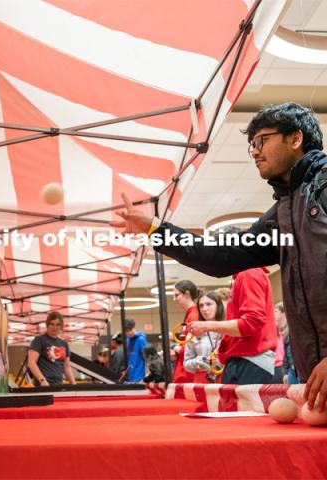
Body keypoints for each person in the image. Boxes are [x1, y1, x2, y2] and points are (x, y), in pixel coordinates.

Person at [112, 103, 327, 406]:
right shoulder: (282, 214)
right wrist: (154, 229)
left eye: (261, 140)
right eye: (251, 144)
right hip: (314, 379)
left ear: (295, 138)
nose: (254, 151)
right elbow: (219, 256)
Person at [28, 312, 76, 386]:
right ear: (47, 325)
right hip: (43, 386)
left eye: (57, 325)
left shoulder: (64, 344)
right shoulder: (39, 340)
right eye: (52, 324)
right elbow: (31, 363)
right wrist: (42, 380)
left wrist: (74, 385)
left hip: (59, 385)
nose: (55, 327)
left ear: (61, 326)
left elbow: (66, 367)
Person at [184, 291, 223, 383]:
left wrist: (220, 362)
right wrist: (197, 362)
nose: (204, 309)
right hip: (202, 381)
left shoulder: (230, 329)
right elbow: (186, 364)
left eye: (208, 304)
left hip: (225, 379)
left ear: (218, 306)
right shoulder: (193, 333)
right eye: (201, 306)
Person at [171, 280, 198, 383]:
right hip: (183, 370)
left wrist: (178, 349)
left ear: (187, 294)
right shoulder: (190, 314)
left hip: (187, 372)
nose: (174, 299)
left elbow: (194, 346)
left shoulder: (194, 315)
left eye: (177, 295)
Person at [275, 302, 299, 384]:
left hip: (299, 368)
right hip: (290, 370)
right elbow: (286, 354)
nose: (274, 315)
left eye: (276, 312)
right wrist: (285, 372)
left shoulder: (293, 327)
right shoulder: (281, 330)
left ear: (283, 313)